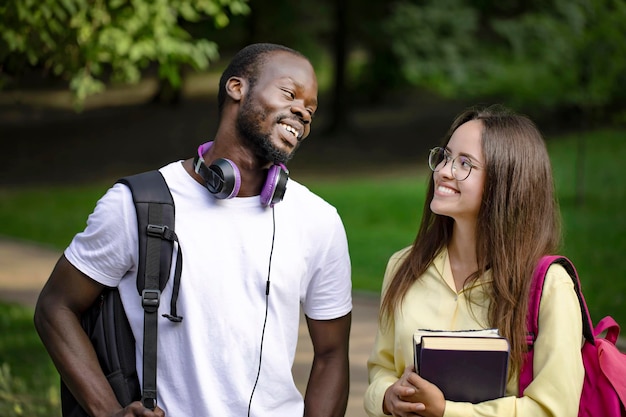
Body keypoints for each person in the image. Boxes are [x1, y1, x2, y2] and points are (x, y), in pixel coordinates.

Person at [34, 43, 352, 417]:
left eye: (311, 109)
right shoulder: (137, 204)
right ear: (237, 87)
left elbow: (332, 355)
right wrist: (106, 411)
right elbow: (56, 306)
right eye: (289, 93)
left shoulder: (318, 220)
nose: (303, 111)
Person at [364, 105, 584, 417]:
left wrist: (445, 411)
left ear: (507, 183)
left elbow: (553, 409)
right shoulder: (403, 266)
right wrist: (387, 396)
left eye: (465, 163)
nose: (443, 170)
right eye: (445, 156)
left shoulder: (550, 286)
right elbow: (381, 368)